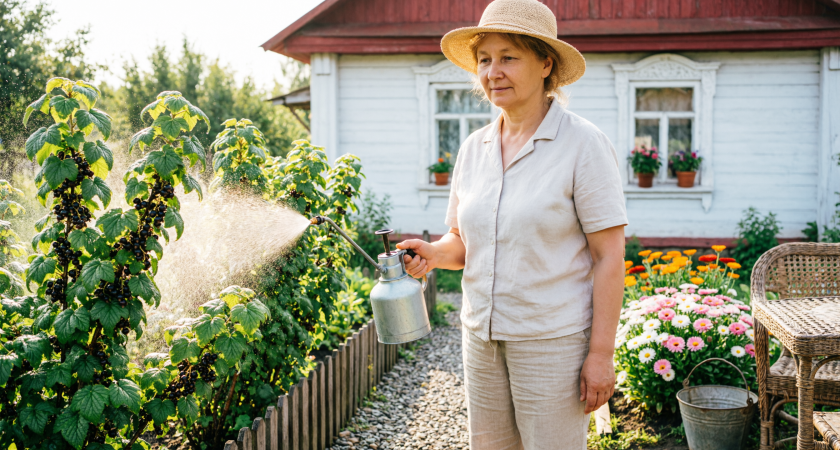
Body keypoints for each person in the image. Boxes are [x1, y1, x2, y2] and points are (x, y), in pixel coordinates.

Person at [395, 0, 628, 448]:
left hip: (551, 342)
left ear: (545, 64)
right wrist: (434, 253)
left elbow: (608, 257)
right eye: (484, 60)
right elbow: (462, 240)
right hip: (481, 338)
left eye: (508, 58)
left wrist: (600, 354)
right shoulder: (473, 148)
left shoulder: (583, 144)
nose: (492, 72)